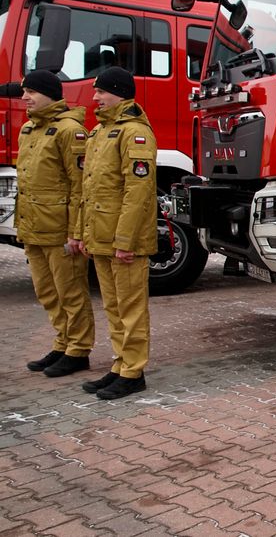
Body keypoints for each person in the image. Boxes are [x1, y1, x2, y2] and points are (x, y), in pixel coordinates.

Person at [76, 66, 157, 400]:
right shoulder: (99, 132)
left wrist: (125, 241)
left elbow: (137, 192)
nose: (95, 97)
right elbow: (88, 190)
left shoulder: (135, 132)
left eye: (101, 91)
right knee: (113, 307)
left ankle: (133, 372)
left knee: (130, 309)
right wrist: (84, 234)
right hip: (101, 237)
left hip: (124, 242)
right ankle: (120, 364)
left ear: (119, 93)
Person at [17, 70, 96, 377]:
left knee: (70, 293)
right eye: (24, 91)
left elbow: (80, 186)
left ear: (49, 94)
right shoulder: (28, 129)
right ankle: (63, 343)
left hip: (60, 231)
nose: (25, 97)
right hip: (34, 228)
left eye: (31, 92)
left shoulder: (70, 131)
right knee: (47, 293)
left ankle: (78, 350)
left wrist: (76, 232)